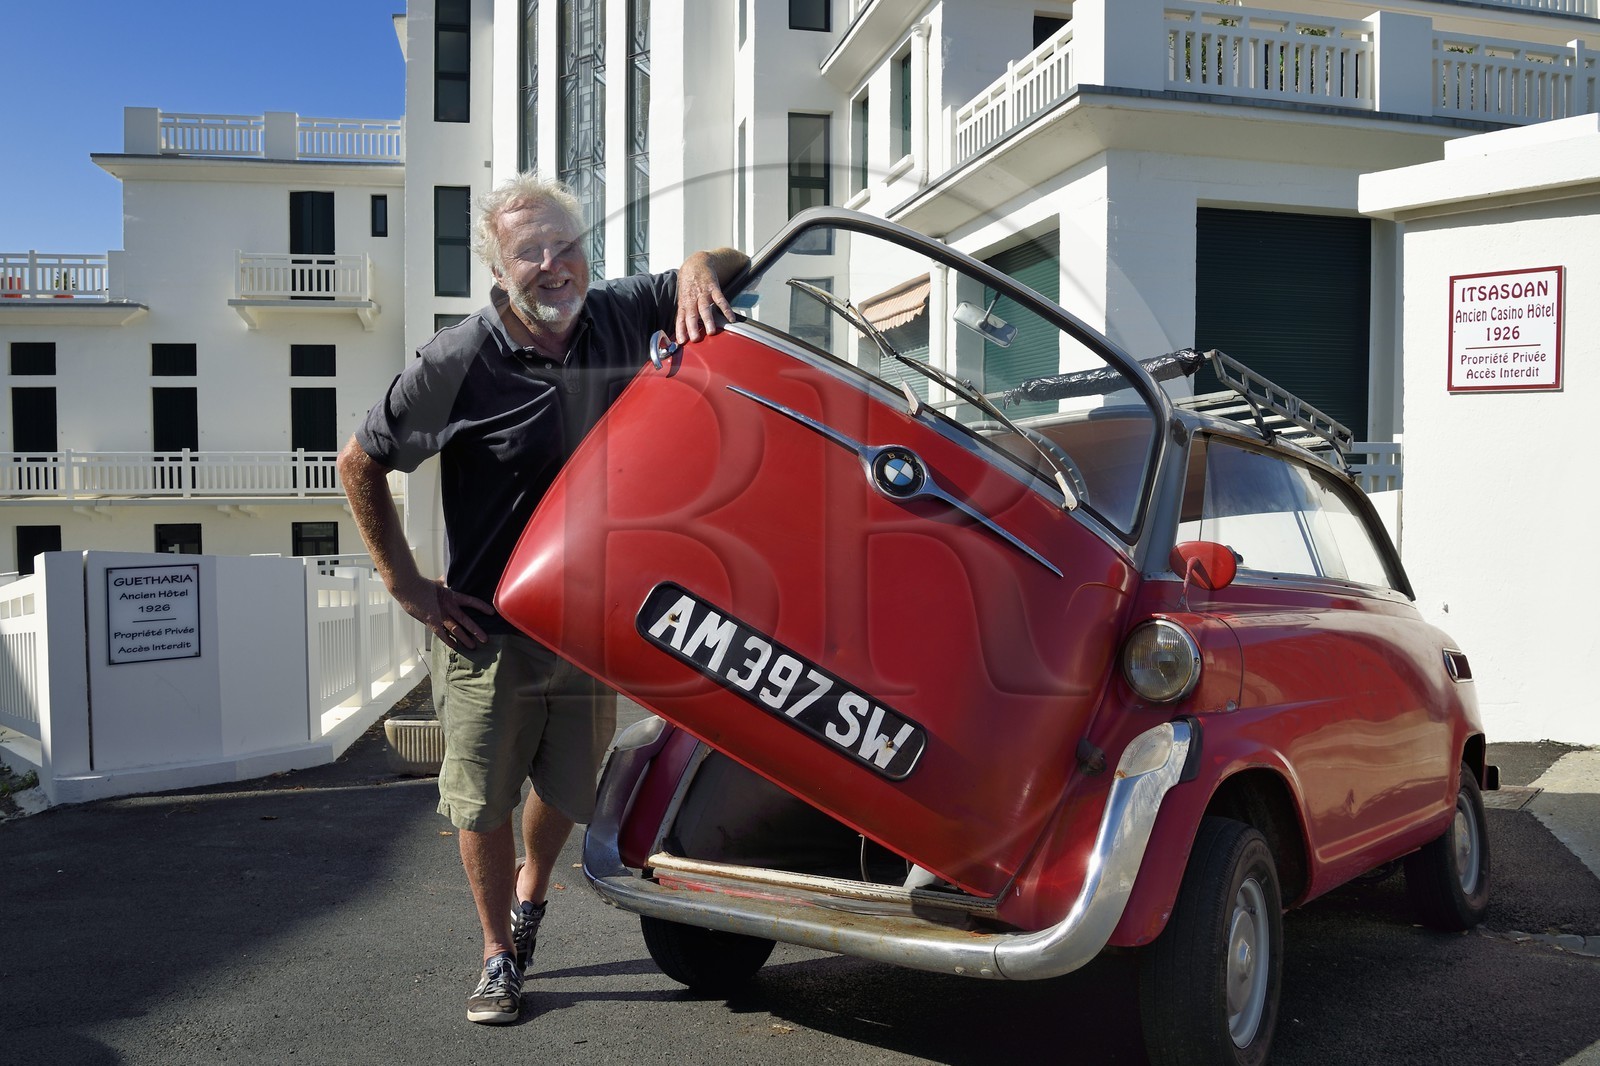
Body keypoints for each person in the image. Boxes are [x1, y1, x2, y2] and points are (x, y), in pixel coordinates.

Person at [338, 173, 748, 1025]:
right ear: (498, 266)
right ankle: (497, 954)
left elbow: (727, 264)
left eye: (569, 246)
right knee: (483, 799)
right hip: (487, 627)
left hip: (591, 622)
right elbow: (360, 462)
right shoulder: (456, 362)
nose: (556, 266)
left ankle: (532, 895)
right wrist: (405, 582)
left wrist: (700, 267)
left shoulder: (619, 311)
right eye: (533, 252)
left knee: (565, 791)